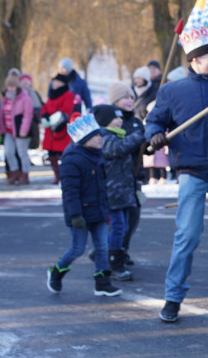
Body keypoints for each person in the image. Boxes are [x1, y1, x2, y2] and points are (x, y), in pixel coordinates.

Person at [146, 26, 208, 323]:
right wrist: (154, 135)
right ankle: (173, 297)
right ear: (194, 60)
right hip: (191, 172)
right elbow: (154, 122)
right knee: (186, 236)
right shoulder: (172, 91)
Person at [47, 114, 122, 298]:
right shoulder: (72, 160)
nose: (100, 138)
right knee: (78, 248)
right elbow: (70, 192)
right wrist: (75, 215)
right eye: (96, 135)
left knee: (102, 247)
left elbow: (101, 187)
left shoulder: (98, 156)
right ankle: (56, 272)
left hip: (98, 210)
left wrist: (106, 209)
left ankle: (102, 283)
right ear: (84, 138)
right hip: (80, 213)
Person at [94, 104, 144, 282]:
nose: (120, 121)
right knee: (118, 226)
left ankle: (107, 252)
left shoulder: (117, 135)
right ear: (105, 121)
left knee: (122, 226)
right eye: (115, 118)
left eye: (120, 118)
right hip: (112, 193)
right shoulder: (103, 136)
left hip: (123, 192)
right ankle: (113, 262)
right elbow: (118, 148)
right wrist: (140, 135)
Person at [109, 82, 146, 265]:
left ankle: (123, 248)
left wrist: (151, 143)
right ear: (115, 101)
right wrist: (139, 137)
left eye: (131, 97)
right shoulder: (112, 121)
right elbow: (119, 146)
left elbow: (144, 147)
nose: (130, 100)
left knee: (134, 216)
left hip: (134, 176)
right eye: (125, 97)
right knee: (119, 220)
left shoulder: (136, 122)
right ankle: (112, 250)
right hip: (118, 179)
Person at [0, 69, 34, 185]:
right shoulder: (5, 98)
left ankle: (25, 174)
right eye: (9, 86)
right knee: (9, 152)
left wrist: (24, 130)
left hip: (19, 129)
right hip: (8, 130)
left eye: (13, 86)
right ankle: (14, 171)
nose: (11, 89)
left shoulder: (24, 97)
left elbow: (28, 114)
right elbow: (1, 114)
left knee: (22, 153)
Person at [41, 73, 81, 184]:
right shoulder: (51, 94)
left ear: (63, 83)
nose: (54, 83)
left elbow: (67, 110)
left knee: (63, 154)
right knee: (51, 154)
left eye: (56, 81)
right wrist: (44, 113)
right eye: (54, 81)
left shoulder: (68, 94)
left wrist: (50, 112)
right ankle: (57, 175)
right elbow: (45, 107)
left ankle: (65, 174)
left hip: (61, 128)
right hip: (51, 130)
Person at [20, 74, 44, 157]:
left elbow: (41, 104)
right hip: (25, 119)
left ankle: (28, 157)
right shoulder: (20, 92)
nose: (26, 82)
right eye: (23, 80)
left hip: (35, 119)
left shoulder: (34, 92)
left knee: (34, 139)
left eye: (27, 80)